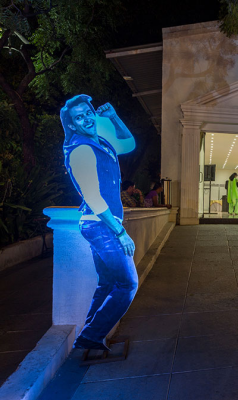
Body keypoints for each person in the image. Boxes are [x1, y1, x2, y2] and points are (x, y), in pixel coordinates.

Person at [60, 94, 138, 351]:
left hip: (99, 224)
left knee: (107, 283)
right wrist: (120, 232)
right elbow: (92, 196)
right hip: (100, 225)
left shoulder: (102, 143)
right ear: (72, 125)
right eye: (78, 117)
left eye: (88, 112)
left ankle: (89, 335)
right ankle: (91, 336)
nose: (86, 119)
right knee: (128, 284)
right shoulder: (81, 150)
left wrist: (113, 116)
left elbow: (128, 143)